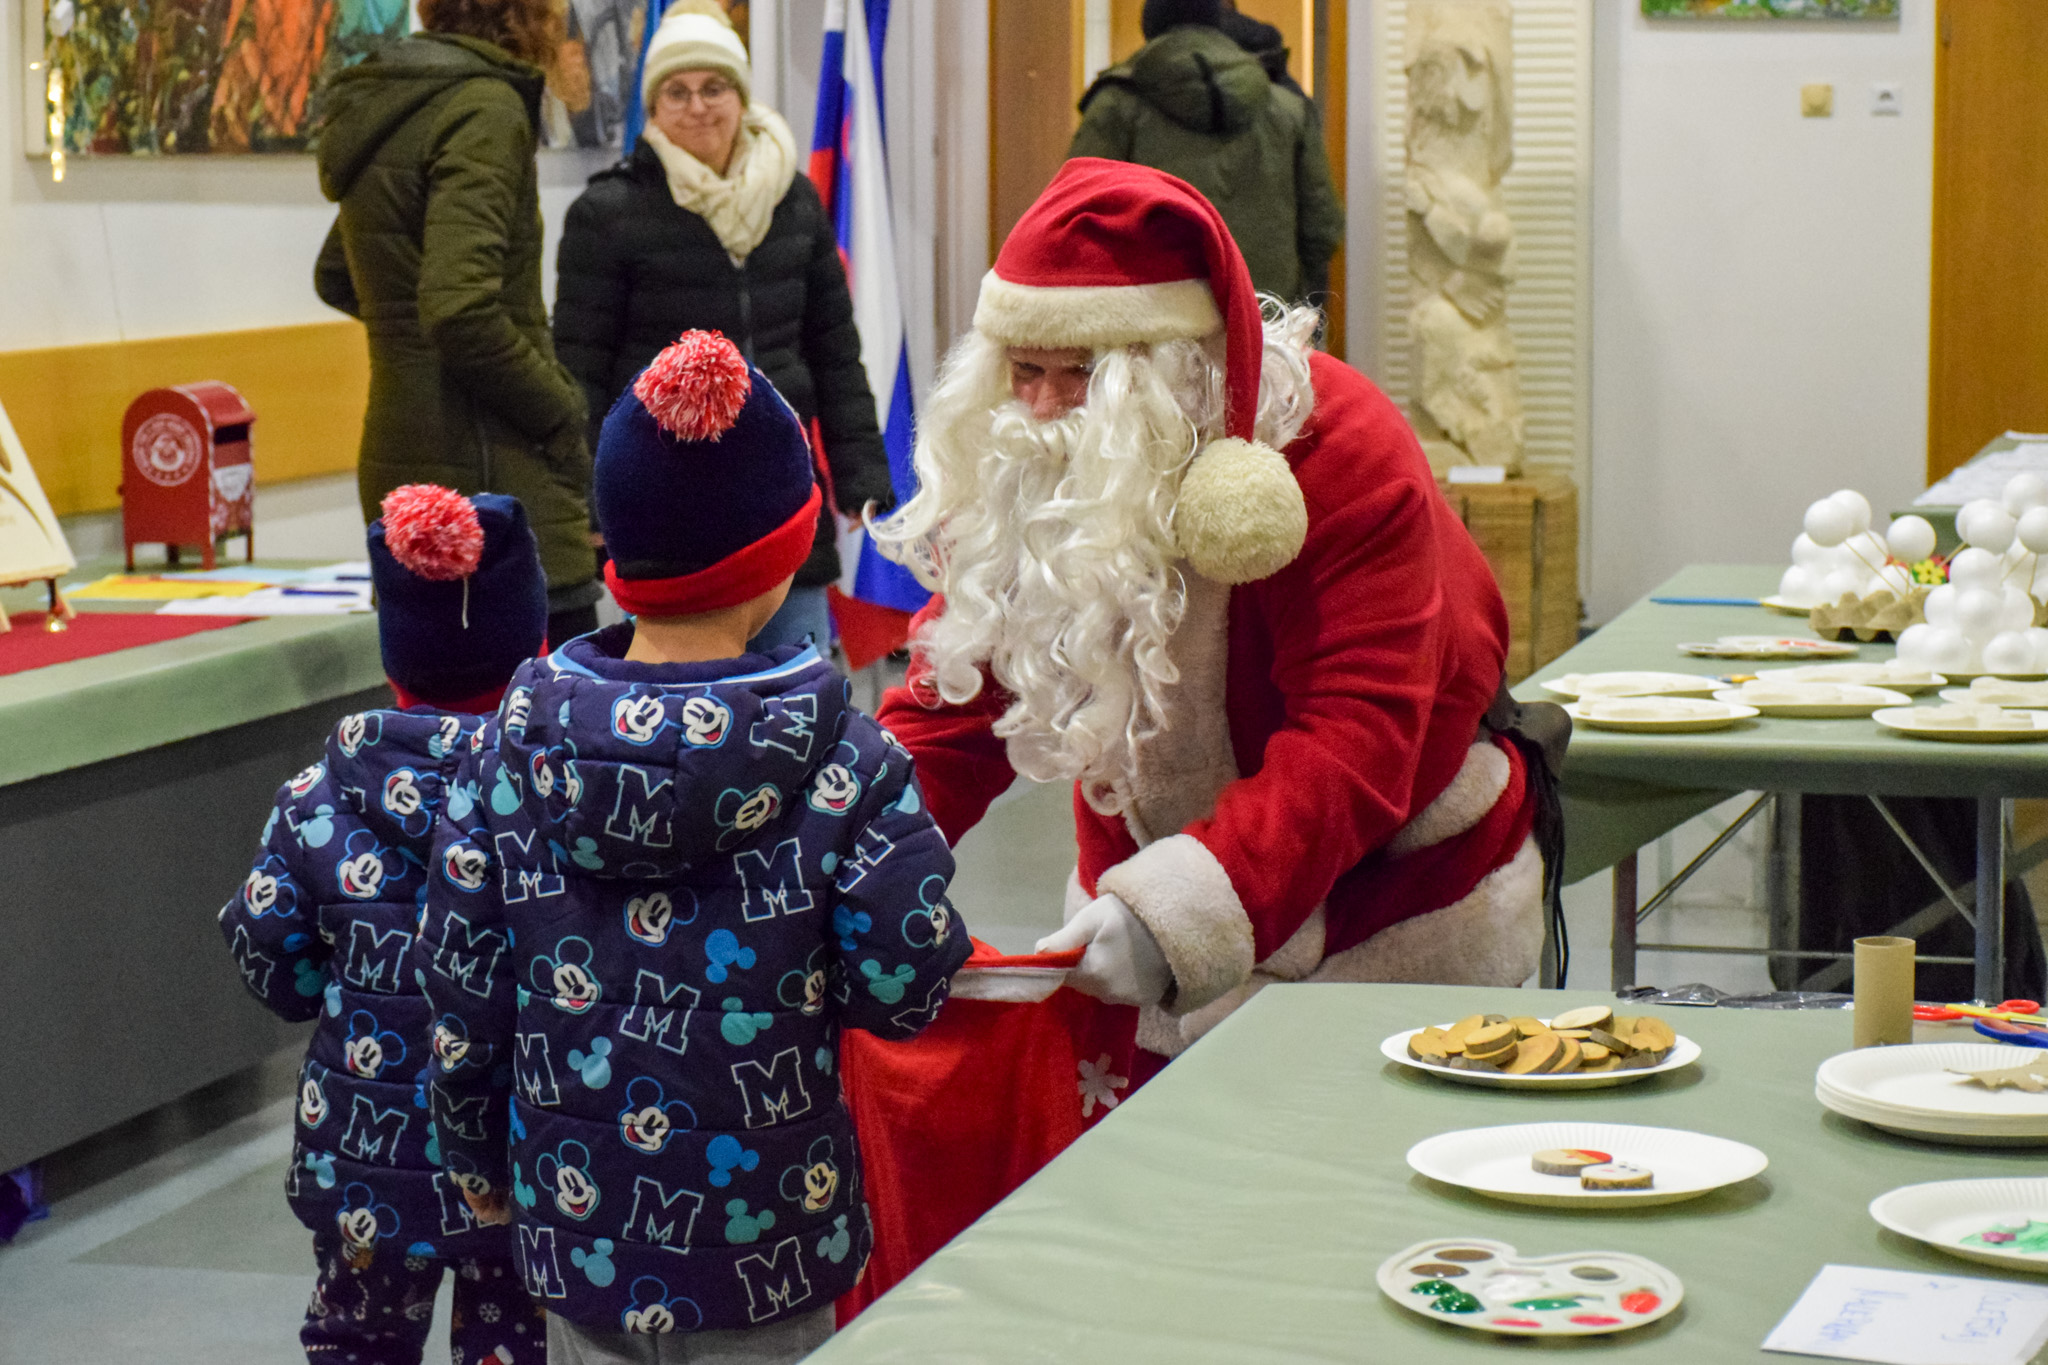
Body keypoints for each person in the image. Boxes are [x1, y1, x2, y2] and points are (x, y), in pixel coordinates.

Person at [844, 159, 1550, 1308]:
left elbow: (1358, 738)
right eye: (1020, 372)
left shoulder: (1339, 452)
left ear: (1173, 376)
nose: (1034, 410)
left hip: (1394, 904)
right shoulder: (1041, 457)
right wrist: (847, 842)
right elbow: (961, 675)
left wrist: (1180, 907)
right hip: (1150, 901)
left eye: (1072, 377)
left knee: (1365, 1270)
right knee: (1171, 1262)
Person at [417, 331, 970, 1361]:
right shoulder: (847, 760)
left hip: (581, 1247)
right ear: (778, 561)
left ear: (619, 558)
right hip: (769, 1238)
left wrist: (476, 1166)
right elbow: (907, 979)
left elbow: (461, 990)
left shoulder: (507, 754)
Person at [218, 485, 550, 1363]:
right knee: (518, 1344)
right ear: (536, 647)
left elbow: (269, 956)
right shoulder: (561, 799)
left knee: (355, 1342)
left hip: (364, 1157)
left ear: (394, 657)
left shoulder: (317, 799)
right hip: (523, 1157)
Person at [552, 0, 892, 656]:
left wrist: (863, 475)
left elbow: (835, 353)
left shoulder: (794, 202)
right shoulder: (606, 213)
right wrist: (590, 505)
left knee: (801, 704)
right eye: (676, 92)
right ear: (653, 107)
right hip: (671, 512)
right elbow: (580, 376)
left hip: (784, 498)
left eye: (714, 88)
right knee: (687, 711)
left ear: (741, 96)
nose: (698, 106)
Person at [314, 0, 602, 646]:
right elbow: (458, 308)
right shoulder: (484, 106)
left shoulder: (395, 99)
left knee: (436, 735)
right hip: (494, 482)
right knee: (546, 736)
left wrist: (409, 344)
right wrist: (562, 411)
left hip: (403, 471)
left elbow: (340, 274)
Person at [1069, 0, 1343, 306]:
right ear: (1219, 23)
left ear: (1151, 27)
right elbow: (1322, 228)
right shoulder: (1288, 109)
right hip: (1265, 317)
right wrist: (1290, 298)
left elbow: (1078, 221)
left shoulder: (1115, 107)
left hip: (1153, 322)